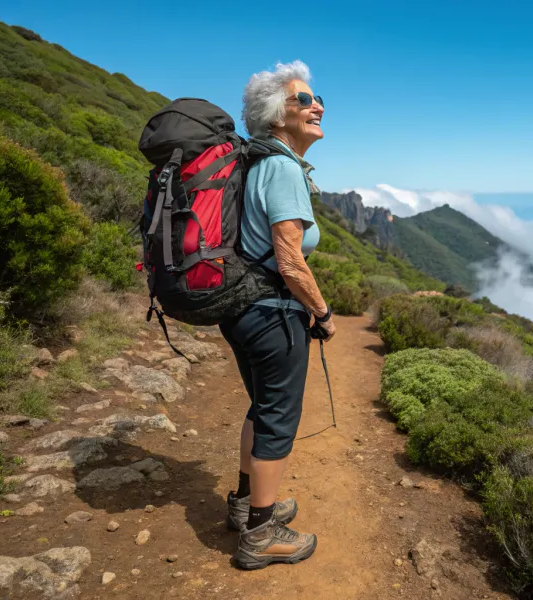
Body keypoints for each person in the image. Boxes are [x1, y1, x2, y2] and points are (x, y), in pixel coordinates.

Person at [219, 60, 335, 570]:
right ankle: (261, 533)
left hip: (240, 307)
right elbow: (290, 259)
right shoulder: (282, 166)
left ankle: (245, 503)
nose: (317, 106)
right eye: (303, 100)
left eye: (317, 98)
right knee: (278, 420)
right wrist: (323, 313)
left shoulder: (257, 162)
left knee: (261, 407)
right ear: (275, 114)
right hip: (272, 313)